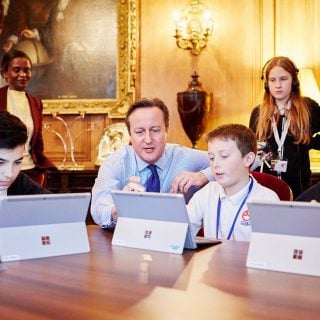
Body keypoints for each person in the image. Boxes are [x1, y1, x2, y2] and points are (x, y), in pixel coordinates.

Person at [91, 97, 214, 228]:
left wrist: (203, 176)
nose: (148, 140)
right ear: (130, 135)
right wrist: (119, 209)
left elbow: (232, 164)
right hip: (130, 238)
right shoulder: (115, 162)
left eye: (155, 130)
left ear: (166, 131)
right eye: (139, 132)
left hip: (174, 239)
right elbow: (99, 209)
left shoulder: (185, 157)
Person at [187, 124, 279, 241]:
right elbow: (181, 231)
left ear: (248, 159)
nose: (215, 164)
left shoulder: (267, 201)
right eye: (211, 158)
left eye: (224, 156)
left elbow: (271, 252)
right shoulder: (206, 193)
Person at [249, 56, 320, 199]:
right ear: (267, 84)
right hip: (265, 192)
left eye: (283, 79)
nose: (278, 85)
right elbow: (250, 150)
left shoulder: (308, 107)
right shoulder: (258, 113)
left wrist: (310, 142)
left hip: (299, 191)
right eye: (273, 80)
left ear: (293, 81)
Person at [0, 49, 55, 185]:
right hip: (3, 172)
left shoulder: (36, 102)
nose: (23, 75)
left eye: (27, 70)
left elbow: (38, 142)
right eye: (16, 70)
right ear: (5, 73)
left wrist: (40, 171)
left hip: (30, 173)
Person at [0, 110, 49, 195]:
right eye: (0, 163)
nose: (10, 174)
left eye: (17, 162)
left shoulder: (20, 182)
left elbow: (57, 204)